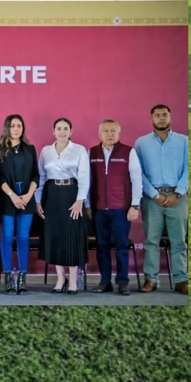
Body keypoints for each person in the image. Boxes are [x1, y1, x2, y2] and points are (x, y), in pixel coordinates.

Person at [133, 104, 189, 294]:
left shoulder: (184, 141)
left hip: (178, 197)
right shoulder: (141, 143)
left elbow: (189, 169)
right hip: (152, 198)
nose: (161, 118)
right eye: (157, 116)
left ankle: (181, 279)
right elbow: (138, 173)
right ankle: (151, 279)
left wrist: (178, 193)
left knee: (179, 241)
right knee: (151, 241)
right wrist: (155, 195)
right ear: (152, 119)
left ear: (170, 118)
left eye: (164, 115)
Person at [85, 120, 142, 296]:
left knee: (121, 246)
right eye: (106, 131)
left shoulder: (128, 152)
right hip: (99, 209)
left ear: (119, 133)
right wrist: (88, 205)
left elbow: (137, 179)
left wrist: (134, 205)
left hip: (121, 209)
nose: (109, 134)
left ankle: (123, 282)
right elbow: (88, 181)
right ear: (99, 134)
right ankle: (105, 282)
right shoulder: (92, 152)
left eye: (113, 131)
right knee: (102, 247)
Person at [35, 117, 90, 294]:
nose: (62, 132)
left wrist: (80, 200)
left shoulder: (79, 150)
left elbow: (84, 177)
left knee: (72, 236)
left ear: (71, 131)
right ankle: (61, 279)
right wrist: (37, 200)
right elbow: (41, 177)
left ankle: (73, 279)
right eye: (59, 128)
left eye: (66, 128)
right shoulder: (46, 151)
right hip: (52, 196)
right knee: (56, 236)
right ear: (53, 131)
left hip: (72, 194)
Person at [0, 114, 40, 295]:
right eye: (13, 126)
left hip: (27, 199)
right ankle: (8, 277)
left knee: (22, 237)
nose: (16, 129)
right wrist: (13, 196)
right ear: (7, 128)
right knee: (7, 236)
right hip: (7, 199)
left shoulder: (30, 148)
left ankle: (22, 277)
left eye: (19, 125)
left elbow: (36, 175)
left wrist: (28, 195)